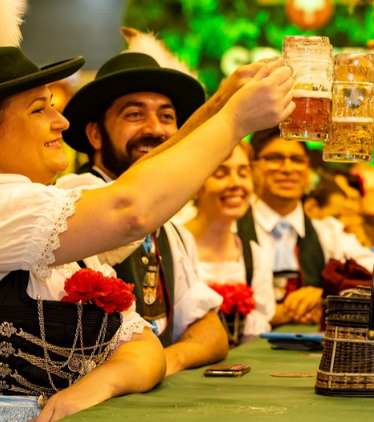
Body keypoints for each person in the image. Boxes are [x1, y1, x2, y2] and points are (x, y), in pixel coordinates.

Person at [0, 0, 293, 422]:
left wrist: (96, 386)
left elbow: (144, 348)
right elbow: (130, 208)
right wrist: (233, 121)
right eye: (40, 109)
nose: (61, 122)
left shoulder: (53, 214)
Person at [57, 29, 273, 374]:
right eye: (134, 114)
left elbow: (211, 333)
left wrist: (159, 365)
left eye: (167, 116)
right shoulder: (74, 199)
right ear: (95, 134)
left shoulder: (173, 230)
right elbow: (131, 206)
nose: (156, 130)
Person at [239, 127, 374, 327]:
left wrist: (328, 296)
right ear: (252, 167)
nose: (288, 169)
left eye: (297, 160)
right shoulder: (231, 228)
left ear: (307, 168)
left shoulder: (326, 231)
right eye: (275, 158)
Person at [188, 142, 274, 337]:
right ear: (195, 183)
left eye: (243, 173)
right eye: (220, 174)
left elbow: (256, 333)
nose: (236, 183)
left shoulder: (254, 255)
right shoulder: (173, 247)